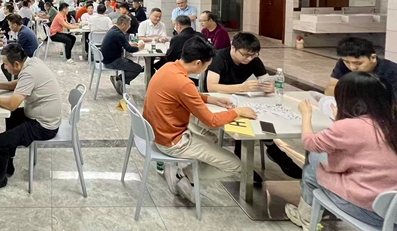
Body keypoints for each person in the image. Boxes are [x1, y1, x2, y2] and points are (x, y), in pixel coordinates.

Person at [285, 72, 397, 231]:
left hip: (372, 212)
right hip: (393, 209)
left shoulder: (348, 126)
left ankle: (307, 220)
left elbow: (310, 143)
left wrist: (306, 115)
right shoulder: (390, 123)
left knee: (312, 167)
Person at [143, 37, 257, 202]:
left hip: (158, 133)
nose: (207, 68)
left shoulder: (169, 67)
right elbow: (212, 120)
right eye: (207, 65)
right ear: (197, 63)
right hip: (173, 141)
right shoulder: (184, 83)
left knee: (211, 138)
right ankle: (185, 174)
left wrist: (211, 99)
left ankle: (184, 173)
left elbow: (186, 94)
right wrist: (238, 112)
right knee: (235, 165)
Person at [206, 32, 303, 179]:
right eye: (245, 55)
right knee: (245, 115)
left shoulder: (253, 60)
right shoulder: (219, 58)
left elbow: (266, 80)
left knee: (258, 114)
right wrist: (241, 87)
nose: (249, 59)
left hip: (240, 98)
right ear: (233, 48)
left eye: (253, 55)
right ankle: (264, 153)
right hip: (219, 100)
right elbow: (211, 87)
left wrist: (269, 87)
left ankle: (266, 151)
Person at [0, 44, 62, 196]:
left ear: (16, 64)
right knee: (12, 117)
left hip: (43, 126)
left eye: (5, 64)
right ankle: (7, 164)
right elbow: (19, 85)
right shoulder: (32, 62)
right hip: (45, 117)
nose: (4, 67)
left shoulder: (28, 73)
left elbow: (12, 104)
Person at [324, 36, 397, 99]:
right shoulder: (343, 63)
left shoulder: (392, 71)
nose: (352, 67)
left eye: (358, 63)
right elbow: (331, 88)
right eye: (347, 62)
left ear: (373, 58)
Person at [101, 16, 145, 95]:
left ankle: (118, 79)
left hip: (108, 58)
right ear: (123, 24)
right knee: (137, 68)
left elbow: (123, 44)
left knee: (131, 63)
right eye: (128, 25)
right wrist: (139, 48)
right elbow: (129, 49)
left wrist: (129, 44)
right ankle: (119, 80)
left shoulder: (113, 29)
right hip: (112, 61)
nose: (129, 27)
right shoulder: (118, 34)